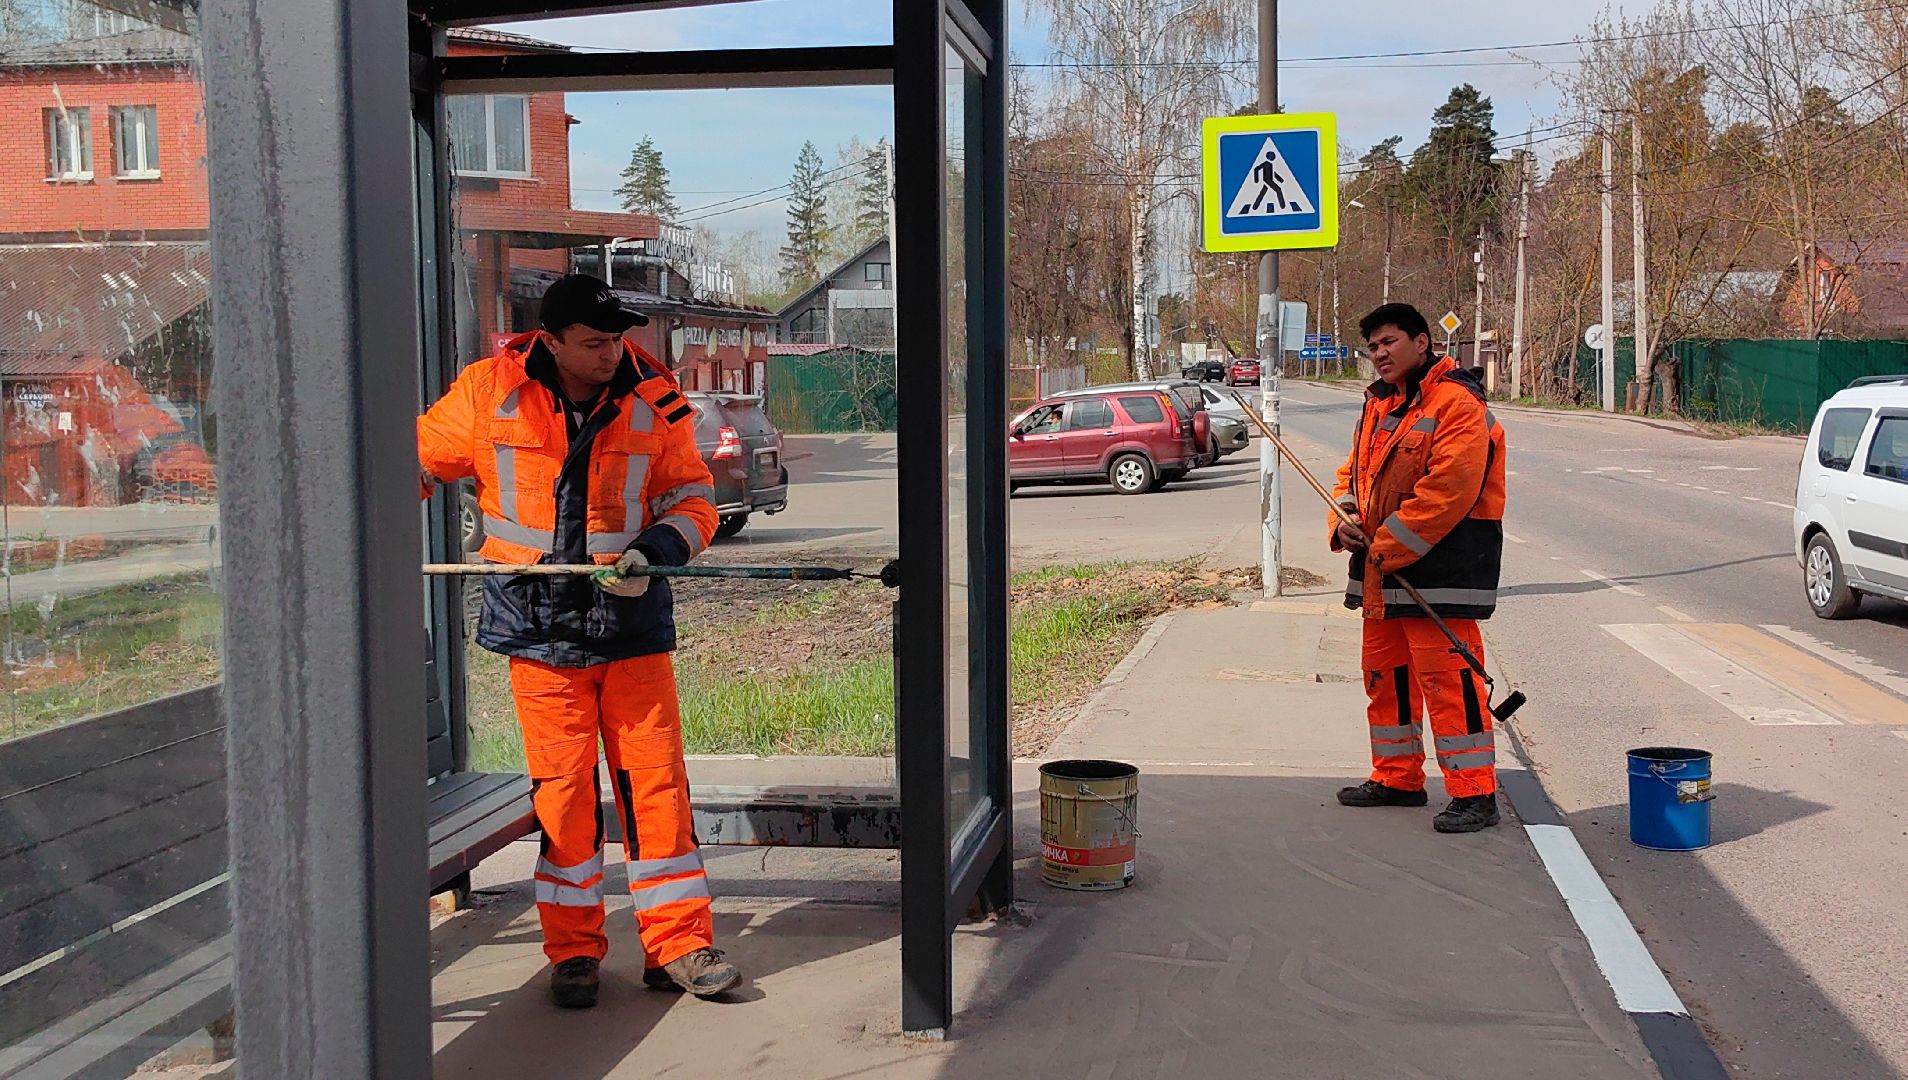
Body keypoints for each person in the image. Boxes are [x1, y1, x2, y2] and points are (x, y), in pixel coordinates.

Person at [418, 274, 740, 1007]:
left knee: (656, 788)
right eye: (593, 343)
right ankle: (572, 953)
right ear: (551, 341)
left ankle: (679, 946)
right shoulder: (487, 394)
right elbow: (412, 463)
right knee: (563, 798)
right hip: (539, 630)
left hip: (631, 631)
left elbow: (694, 500)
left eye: (615, 340)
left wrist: (656, 550)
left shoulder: (654, 400)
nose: (609, 354)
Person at [1328, 303, 1508, 834]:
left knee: (1449, 683)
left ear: (1422, 342)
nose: (1379, 354)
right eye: (1373, 347)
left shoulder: (1457, 404)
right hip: (1383, 573)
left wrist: (1382, 547)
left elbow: (1448, 491)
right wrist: (1343, 520)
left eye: (1389, 342)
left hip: (1440, 573)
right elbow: (1352, 476)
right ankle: (1397, 778)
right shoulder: (1379, 405)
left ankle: (1475, 794)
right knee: (1387, 679)